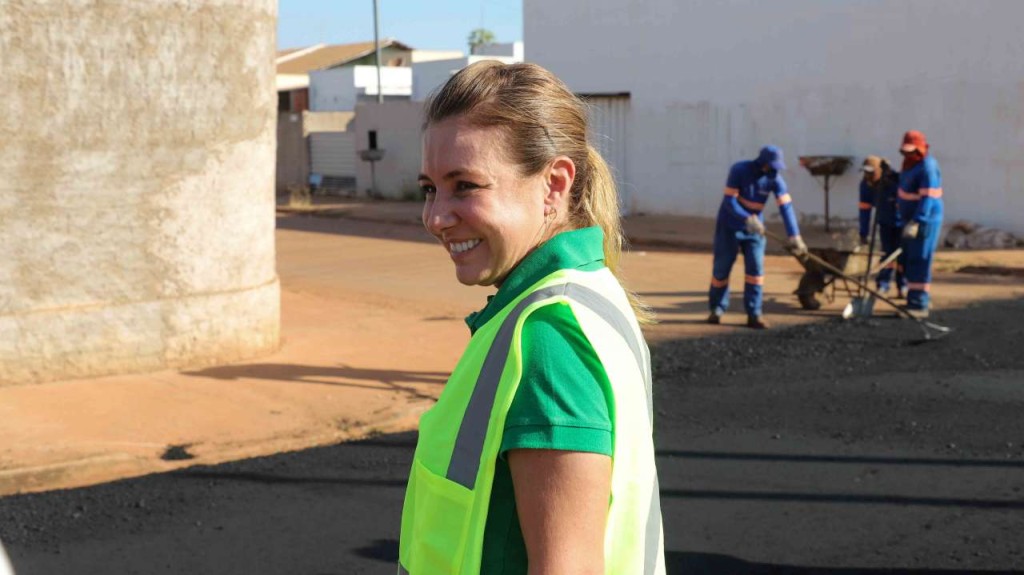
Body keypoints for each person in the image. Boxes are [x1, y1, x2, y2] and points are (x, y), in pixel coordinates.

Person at [399, 61, 665, 575]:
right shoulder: (587, 291)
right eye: (429, 188)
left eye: (465, 185)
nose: (435, 218)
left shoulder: (547, 337)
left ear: (554, 185)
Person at [708, 146, 807, 329]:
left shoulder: (775, 179)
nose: (774, 169)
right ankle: (717, 309)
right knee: (721, 269)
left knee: (755, 273)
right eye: (772, 165)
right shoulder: (739, 170)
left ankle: (754, 314)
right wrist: (746, 218)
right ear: (762, 162)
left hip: (755, 230)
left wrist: (795, 236)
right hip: (729, 226)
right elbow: (729, 201)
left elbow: (786, 207)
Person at [896, 130, 943, 317]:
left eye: (912, 151)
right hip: (910, 220)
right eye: (905, 152)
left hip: (924, 222)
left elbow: (928, 198)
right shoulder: (909, 165)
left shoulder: (927, 167)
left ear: (921, 149)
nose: (908, 155)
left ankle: (918, 305)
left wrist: (917, 221)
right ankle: (914, 299)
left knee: (920, 259)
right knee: (909, 259)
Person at [858, 155, 906, 296]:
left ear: (879, 171)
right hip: (885, 224)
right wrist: (864, 233)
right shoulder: (866, 186)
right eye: (865, 172)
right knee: (886, 254)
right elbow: (864, 210)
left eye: (871, 172)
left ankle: (903, 285)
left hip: (902, 224)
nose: (868, 176)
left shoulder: (895, 182)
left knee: (902, 256)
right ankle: (883, 284)